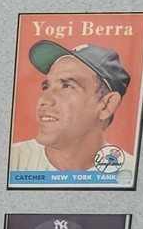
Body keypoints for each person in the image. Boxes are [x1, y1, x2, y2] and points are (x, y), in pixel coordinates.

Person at [9, 40, 136, 182]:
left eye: (66, 86)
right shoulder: (12, 161)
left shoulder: (132, 173)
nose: (44, 100)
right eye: (46, 87)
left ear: (106, 105)